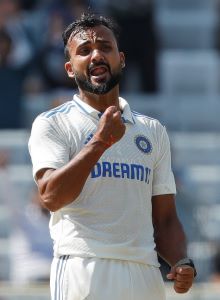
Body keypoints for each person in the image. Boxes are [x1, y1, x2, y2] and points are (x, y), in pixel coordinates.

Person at [28, 13, 196, 300]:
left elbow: (165, 219)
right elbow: (51, 196)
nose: (96, 55)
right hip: (84, 266)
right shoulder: (52, 123)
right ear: (70, 69)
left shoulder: (152, 130)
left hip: (144, 271)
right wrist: (99, 142)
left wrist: (181, 260)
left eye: (105, 47)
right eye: (84, 51)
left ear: (121, 58)